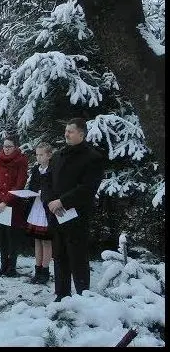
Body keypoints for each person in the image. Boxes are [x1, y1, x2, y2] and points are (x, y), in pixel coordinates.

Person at [43, 118, 104, 302]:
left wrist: (62, 201)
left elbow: (87, 188)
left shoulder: (93, 157)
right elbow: (46, 182)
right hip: (57, 215)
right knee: (59, 256)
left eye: (70, 131)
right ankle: (61, 295)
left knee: (78, 258)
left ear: (81, 134)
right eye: (66, 131)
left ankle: (83, 297)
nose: (66, 134)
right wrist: (50, 202)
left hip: (77, 217)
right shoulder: (58, 156)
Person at [0, 134, 28, 277]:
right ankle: (3, 265)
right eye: (4, 146)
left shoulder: (21, 161)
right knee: (3, 236)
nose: (6, 149)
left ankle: (12, 267)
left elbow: (19, 184)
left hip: (13, 204)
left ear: (16, 147)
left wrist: (6, 201)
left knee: (12, 237)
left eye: (9, 146)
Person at [24, 142, 54, 284]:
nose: (39, 157)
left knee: (46, 241)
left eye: (41, 154)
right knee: (37, 240)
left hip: (46, 208)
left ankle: (45, 271)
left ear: (49, 155)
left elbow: (55, 188)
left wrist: (44, 193)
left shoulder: (53, 169)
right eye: (37, 154)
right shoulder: (36, 169)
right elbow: (32, 185)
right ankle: (37, 269)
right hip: (36, 205)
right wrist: (31, 192)